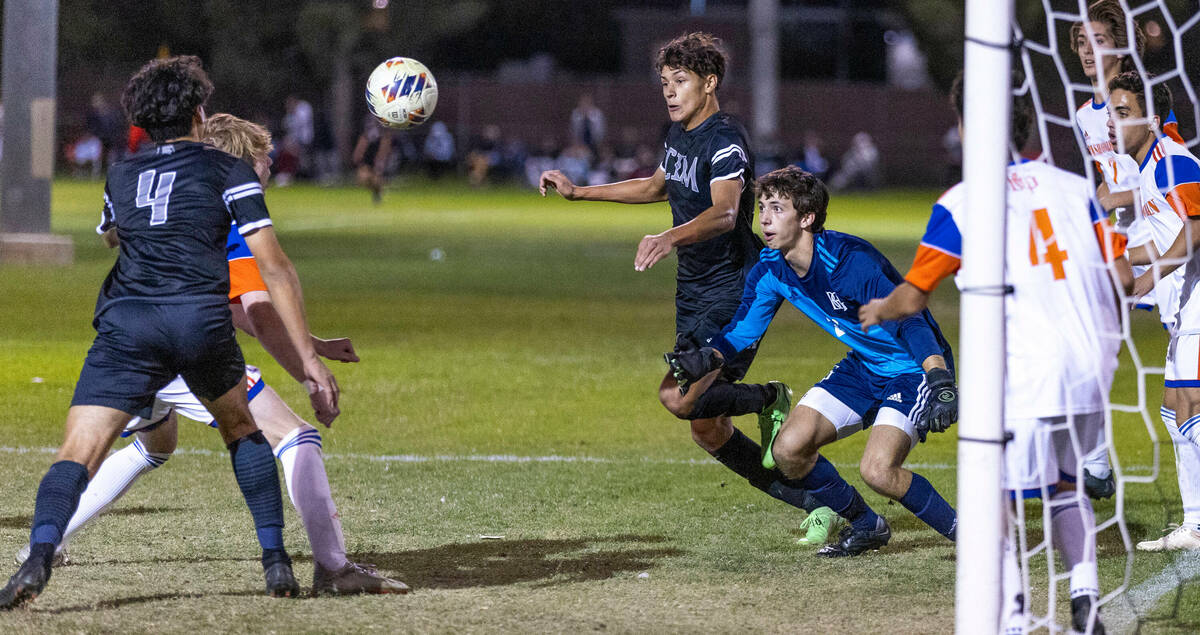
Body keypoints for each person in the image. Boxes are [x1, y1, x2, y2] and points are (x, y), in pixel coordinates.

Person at [13, 114, 409, 595]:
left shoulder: (182, 197)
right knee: (297, 438)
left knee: (154, 446)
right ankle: (333, 567)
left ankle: (43, 548)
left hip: (130, 341)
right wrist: (309, 369)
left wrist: (313, 343)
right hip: (184, 351)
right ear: (245, 161)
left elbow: (237, 306)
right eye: (263, 156)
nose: (269, 165)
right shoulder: (233, 209)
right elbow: (259, 311)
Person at [858, 72, 1133, 634]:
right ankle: (1084, 596)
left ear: (967, 128)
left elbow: (914, 296)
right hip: (1091, 363)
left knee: (995, 496)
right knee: (1065, 482)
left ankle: (1009, 613)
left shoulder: (963, 202)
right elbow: (1124, 278)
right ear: (1029, 128)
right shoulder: (1077, 189)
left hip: (1025, 369)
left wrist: (880, 309)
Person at [539, 33, 832, 545]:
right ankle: (822, 504)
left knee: (677, 399)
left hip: (734, 290)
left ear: (709, 83)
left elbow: (723, 212)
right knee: (708, 428)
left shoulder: (726, 140)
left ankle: (770, 399)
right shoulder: (680, 135)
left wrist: (669, 236)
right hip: (695, 292)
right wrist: (579, 192)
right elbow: (657, 186)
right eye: (665, 83)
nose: (670, 92)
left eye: (681, 82)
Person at [669, 166, 959, 556]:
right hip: (864, 367)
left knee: (877, 470)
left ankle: (972, 538)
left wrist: (939, 379)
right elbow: (742, 331)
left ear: (806, 218)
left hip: (913, 369)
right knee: (789, 449)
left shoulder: (850, 261)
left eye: (777, 208)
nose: (765, 218)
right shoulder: (770, 269)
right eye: (761, 207)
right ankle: (865, 524)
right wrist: (706, 358)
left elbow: (911, 320)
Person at [1069, 1, 1153, 498]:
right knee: (1090, 347)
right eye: (1080, 42)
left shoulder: (1140, 101)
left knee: (1183, 361)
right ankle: (1096, 464)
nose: (1085, 51)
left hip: (1163, 239)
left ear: (1121, 47)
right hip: (1123, 245)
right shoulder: (1086, 114)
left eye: (1097, 41)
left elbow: (1172, 171)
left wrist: (1112, 197)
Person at [1113, 72, 1200, 552]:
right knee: (1173, 409)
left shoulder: (1173, 161)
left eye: (1123, 114)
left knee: (1191, 411)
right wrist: (1116, 256)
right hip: (1185, 310)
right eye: (1111, 114)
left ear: (1151, 120)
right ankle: (1195, 526)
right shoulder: (1148, 172)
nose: (1113, 124)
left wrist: (1144, 281)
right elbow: (1165, 236)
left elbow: (1195, 227)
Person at [352, 115, 393, 203]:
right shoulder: (368, 119)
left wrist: (381, 156)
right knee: (362, 179)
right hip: (368, 152)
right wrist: (359, 151)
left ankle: (378, 192)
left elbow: (386, 139)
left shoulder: (385, 119)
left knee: (376, 176)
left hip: (378, 151)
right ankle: (377, 189)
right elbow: (364, 137)